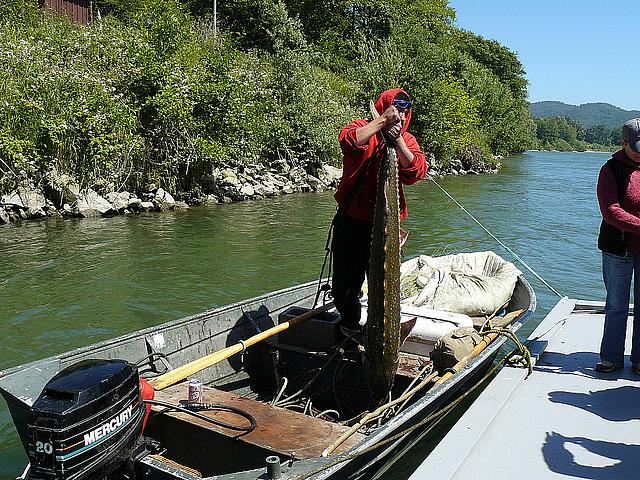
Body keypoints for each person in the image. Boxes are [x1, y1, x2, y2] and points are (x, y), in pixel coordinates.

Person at [331, 88, 428, 336]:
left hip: (387, 228)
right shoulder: (364, 126)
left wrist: (397, 141)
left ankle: (379, 333)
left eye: (405, 111)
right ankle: (350, 328)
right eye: (397, 109)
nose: (401, 115)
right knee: (344, 287)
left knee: (385, 287)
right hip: (352, 221)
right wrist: (382, 122)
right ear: (385, 107)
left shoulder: (408, 140)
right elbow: (349, 140)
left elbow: (416, 170)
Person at [596, 117, 640, 373]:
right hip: (617, 251)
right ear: (623, 143)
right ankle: (611, 357)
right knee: (616, 306)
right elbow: (611, 212)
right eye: (635, 149)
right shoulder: (610, 170)